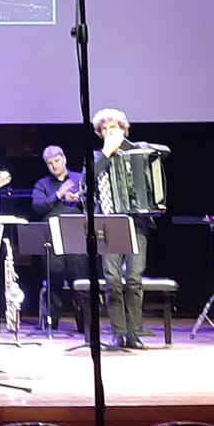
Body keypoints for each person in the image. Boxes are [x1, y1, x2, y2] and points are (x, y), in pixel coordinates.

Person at [90, 108, 158, 350]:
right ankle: (118, 332)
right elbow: (86, 184)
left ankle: (134, 332)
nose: (109, 132)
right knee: (112, 280)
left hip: (137, 223)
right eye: (105, 129)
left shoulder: (139, 153)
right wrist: (107, 154)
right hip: (109, 224)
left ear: (123, 130)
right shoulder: (97, 158)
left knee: (134, 278)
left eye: (114, 128)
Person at [31, 145, 87, 331]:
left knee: (79, 280)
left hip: (77, 236)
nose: (54, 166)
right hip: (52, 237)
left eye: (57, 161)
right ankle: (52, 323)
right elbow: (38, 207)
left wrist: (80, 199)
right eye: (50, 163)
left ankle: (85, 324)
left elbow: (96, 202)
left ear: (64, 159)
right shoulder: (42, 184)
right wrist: (58, 195)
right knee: (53, 279)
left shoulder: (80, 179)